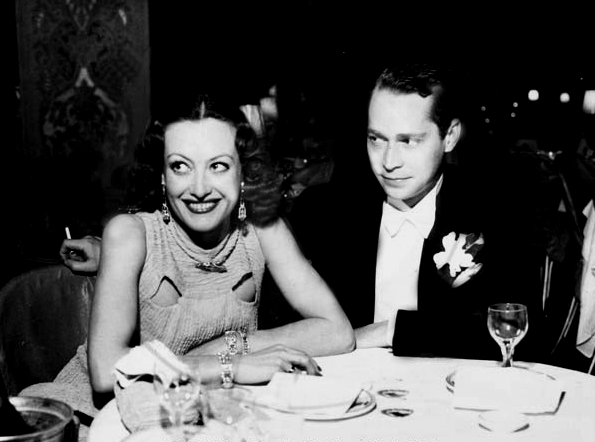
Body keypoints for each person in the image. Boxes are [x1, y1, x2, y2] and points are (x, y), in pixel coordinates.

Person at [24, 95, 354, 432]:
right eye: (180, 166)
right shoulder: (130, 234)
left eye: (218, 166)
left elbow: (338, 332)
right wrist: (231, 365)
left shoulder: (263, 229)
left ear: (243, 172)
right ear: (162, 175)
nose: (199, 189)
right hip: (96, 416)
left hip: (206, 413)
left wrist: (233, 347)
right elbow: (106, 370)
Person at [287, 63, 546, 362]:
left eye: (408, 141)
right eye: (376, 139)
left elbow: (518, 330)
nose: (389, 162)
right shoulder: (327, 211)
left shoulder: (495, 211)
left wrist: (392, 331)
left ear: (450, 136)